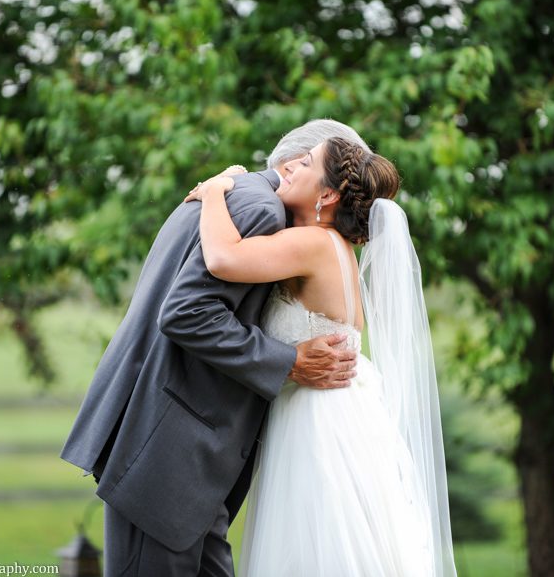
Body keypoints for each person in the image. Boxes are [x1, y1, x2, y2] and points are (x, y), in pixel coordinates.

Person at [61, 120, 373, 576]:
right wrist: (289, 362)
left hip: (179, 449)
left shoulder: (230, 196)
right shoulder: (260, 211)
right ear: (292, 166)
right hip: (169, 451)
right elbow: (186, 312)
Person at [185, 137, 457, 576]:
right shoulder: (335, 248)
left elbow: (221, 258)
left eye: (305, 162)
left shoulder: (314, 243)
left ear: (327, 195)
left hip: (319, 420)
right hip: (339, 409)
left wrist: (216, 189)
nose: (290, 166)